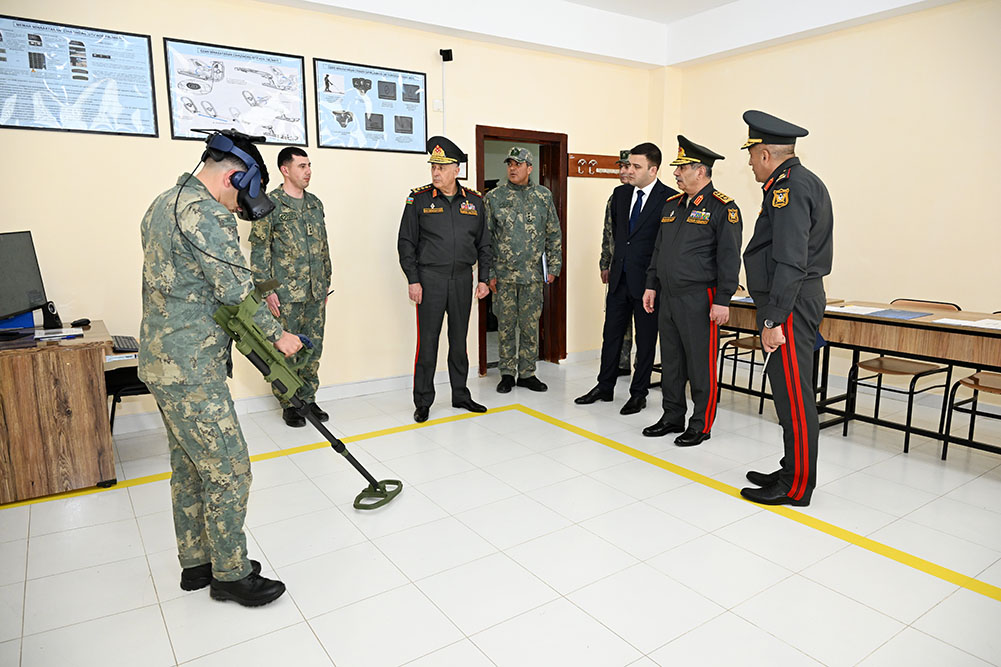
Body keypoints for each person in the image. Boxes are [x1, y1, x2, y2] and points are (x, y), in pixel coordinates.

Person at [139, 129, 302, 606]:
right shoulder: (208, 215)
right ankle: (230, 574)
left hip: (162, 360)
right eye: (238, 202)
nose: (236, 212)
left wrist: (252, 286)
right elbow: (232, 290)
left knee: (190, 465)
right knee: (230, 468)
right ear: (236, 176)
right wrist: (281, 335)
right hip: (191, 367)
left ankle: (197, 564)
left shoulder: (162, 203)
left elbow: (196, 278)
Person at [738, 110, 834, 507]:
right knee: (788, 392)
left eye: (751, 154)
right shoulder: (792, 182)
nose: (748, 163)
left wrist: (774, 318)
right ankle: (790, 465)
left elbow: (791, 259)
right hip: (790, 299)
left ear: (765, 154)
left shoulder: (789, 188)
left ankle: (797, 485)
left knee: (795, 396)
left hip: (790, 303)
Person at [642, 136, 742, 445]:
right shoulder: (672, 206)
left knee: (700, 364)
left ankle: (701, 423)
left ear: (700, 171)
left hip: (701, 298)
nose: (676, 174)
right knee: (671, 362)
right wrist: (651, 284)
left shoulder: (723, 208)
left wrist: (723, 300)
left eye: (681, 168)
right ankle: (672, 416)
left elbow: (729, 258)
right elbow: (659, 250)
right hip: (669, 297)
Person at [576, 143, 677, 415]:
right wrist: (608, 265)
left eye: (636, 166)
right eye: (628, 165)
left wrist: (654, 284)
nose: (629, 171)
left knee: (645, 342)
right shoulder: (620, 195)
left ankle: (638, 392)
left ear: (653, 170)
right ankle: (604, 386)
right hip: (619, 279)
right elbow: (618, 237)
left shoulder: (670, 199)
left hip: (648, 285)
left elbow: (665, 246)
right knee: (611, 335)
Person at [398, 136, 491, 422]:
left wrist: (484, 279)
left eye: (442, 167)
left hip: (463, 279)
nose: (436, 173)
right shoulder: (419, 199)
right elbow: (405, 243)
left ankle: (461, 394)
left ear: (457, 170)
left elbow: (485, 245)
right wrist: (413, 279)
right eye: (433, 167)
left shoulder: (474, 201)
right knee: (427, 344)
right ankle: (423, 400)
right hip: (430, 280)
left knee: (459, 341)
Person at [250, 147, 331, 427]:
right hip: (284, 295)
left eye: (309, 165)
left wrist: (325, 285)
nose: (308, 171)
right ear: (285, 170)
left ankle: (308, 399)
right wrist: (267, 290)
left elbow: (323, 248)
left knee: (313, 349)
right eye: (301, 166)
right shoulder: (270, 204)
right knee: (285, 351)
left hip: (314, 292)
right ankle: (290, 403)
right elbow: (260, 251)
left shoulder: (315, 204)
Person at [484, 146, 563, 393]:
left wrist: (554, 266)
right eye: (510, 164)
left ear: (530, 168)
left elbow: (553, 233)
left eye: (518, 164)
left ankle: (527, 373)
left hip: (532, 276)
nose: (513, 168)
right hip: (504, 276)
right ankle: (507, 373)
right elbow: (486, 239)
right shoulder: (493, 198)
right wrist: (489, 275)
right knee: (506, 326)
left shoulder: (543, 196)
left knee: (530, 326)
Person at [601, 149, 634, 376]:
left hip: (641, 273)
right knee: (616, 324)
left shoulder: (651, 198)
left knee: (643, 325)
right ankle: (620, 364)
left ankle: (641, 367)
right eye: (620, 167)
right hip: (618, 269)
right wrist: (605, 264)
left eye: (626, 166)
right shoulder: (616, 197)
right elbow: (608, 234)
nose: (622, 171)